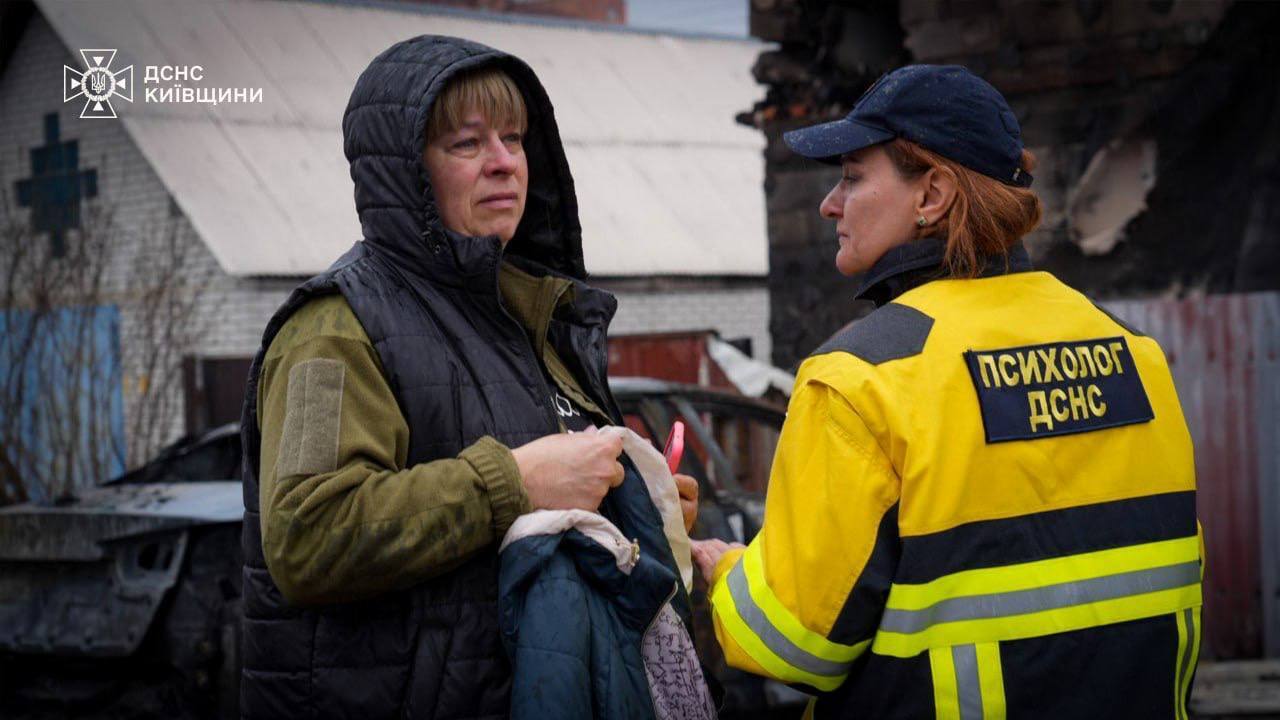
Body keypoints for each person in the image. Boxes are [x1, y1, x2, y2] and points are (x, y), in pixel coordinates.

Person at [691, 64, 1202, 719]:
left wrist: (727, 573)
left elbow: (792, 646)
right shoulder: (1135, 353)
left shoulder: (860, 376)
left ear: (931, 195)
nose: (829, 204)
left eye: (851, 177)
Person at [239, 36, 698, 719]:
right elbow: (308, 536)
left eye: (514, 139)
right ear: (406, 172)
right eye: (466, 144)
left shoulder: (534, 318)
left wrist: (641, 507)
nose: (505, 164)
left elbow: (544, 516)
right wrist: (512, 482)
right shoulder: (332, 331)